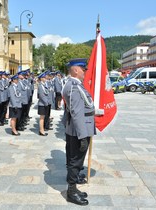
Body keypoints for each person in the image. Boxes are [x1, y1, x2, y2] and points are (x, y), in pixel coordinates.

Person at [62, 58, 96, 206]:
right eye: (83, 69)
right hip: (79, 131)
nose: (85, 72)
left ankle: (74, 186)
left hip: (78, 128)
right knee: (76, 161)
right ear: (76, 70)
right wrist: (83, 136)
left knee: (75, 160)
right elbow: (76, 113)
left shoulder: (75, 85)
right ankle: (71, 191)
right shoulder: (73, 87)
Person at [37, 71, 49, 136]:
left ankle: (42, 130)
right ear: (41, 78)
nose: (45, 79)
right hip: (42, 104)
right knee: (42, 118)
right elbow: (42, 96)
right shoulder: (40, 86)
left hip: (44, 103)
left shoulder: (44, 85)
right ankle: (41, 130)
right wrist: (46, 103)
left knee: (43, 117)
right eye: (44, 78)